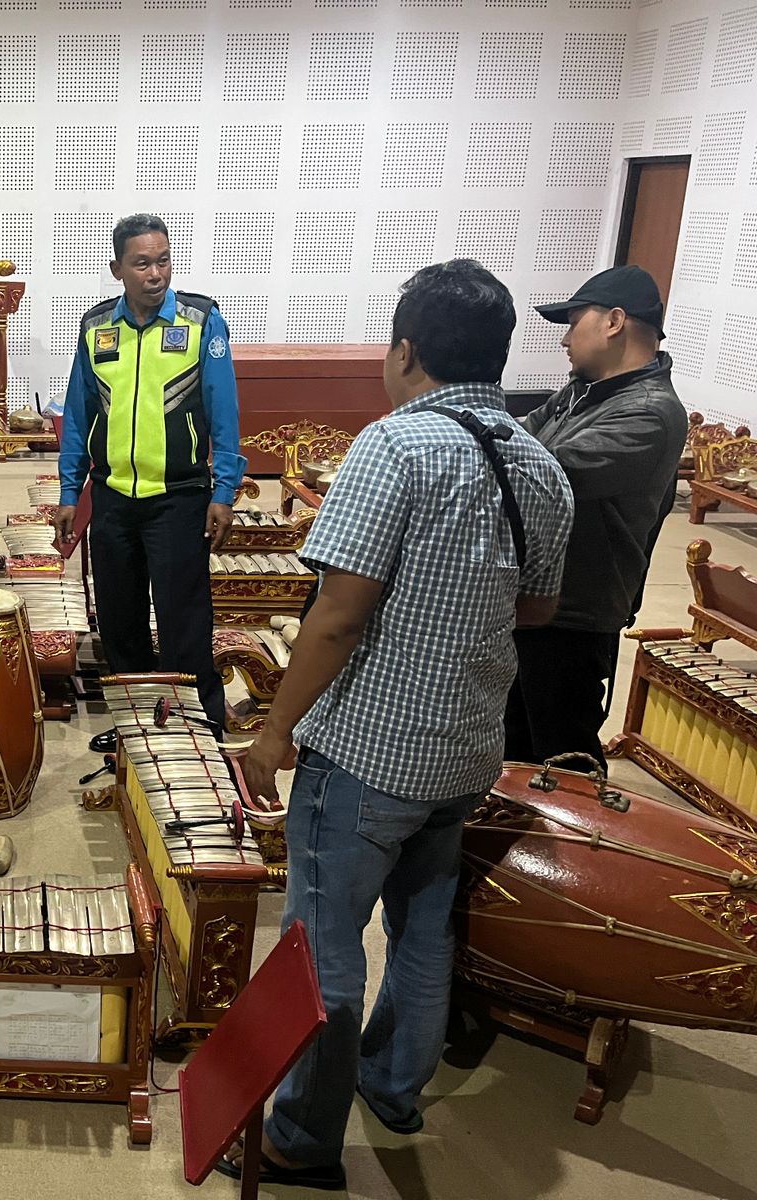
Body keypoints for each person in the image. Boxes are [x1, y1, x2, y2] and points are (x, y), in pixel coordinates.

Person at [229, 260, 574, 1191]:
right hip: (468, 748)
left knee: (323, 945)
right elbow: (538, 611)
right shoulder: (541, 462)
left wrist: (272, 735)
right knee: (424, 928)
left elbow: (338, 613)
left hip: (370, 753)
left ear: (406, 350)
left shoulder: (392, 448)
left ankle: (301, 1139)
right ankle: (391, 1085)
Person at [52, 213, 245, 732]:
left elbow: (224, 412)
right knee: (121, 621)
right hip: (114, 499)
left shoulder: (201, 322)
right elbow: (79, 416)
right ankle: (136, 725)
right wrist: (71, 492)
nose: (155, 273)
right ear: (118, 269)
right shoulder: (96, 329)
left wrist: (224, 490)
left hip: (179, 499)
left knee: (185, 622)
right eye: (141, 263)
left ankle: (201, 726)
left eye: (162, 260)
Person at [505, 264, 688, 768]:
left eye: (572, 322)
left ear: (613, 322)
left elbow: (548, 474)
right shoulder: (584, 391)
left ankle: (573, 847)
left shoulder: (649, 412)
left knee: (562, 763)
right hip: (538, 598)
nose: (565, 339)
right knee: (512, 749)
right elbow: (520, 430)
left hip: (575, 615)